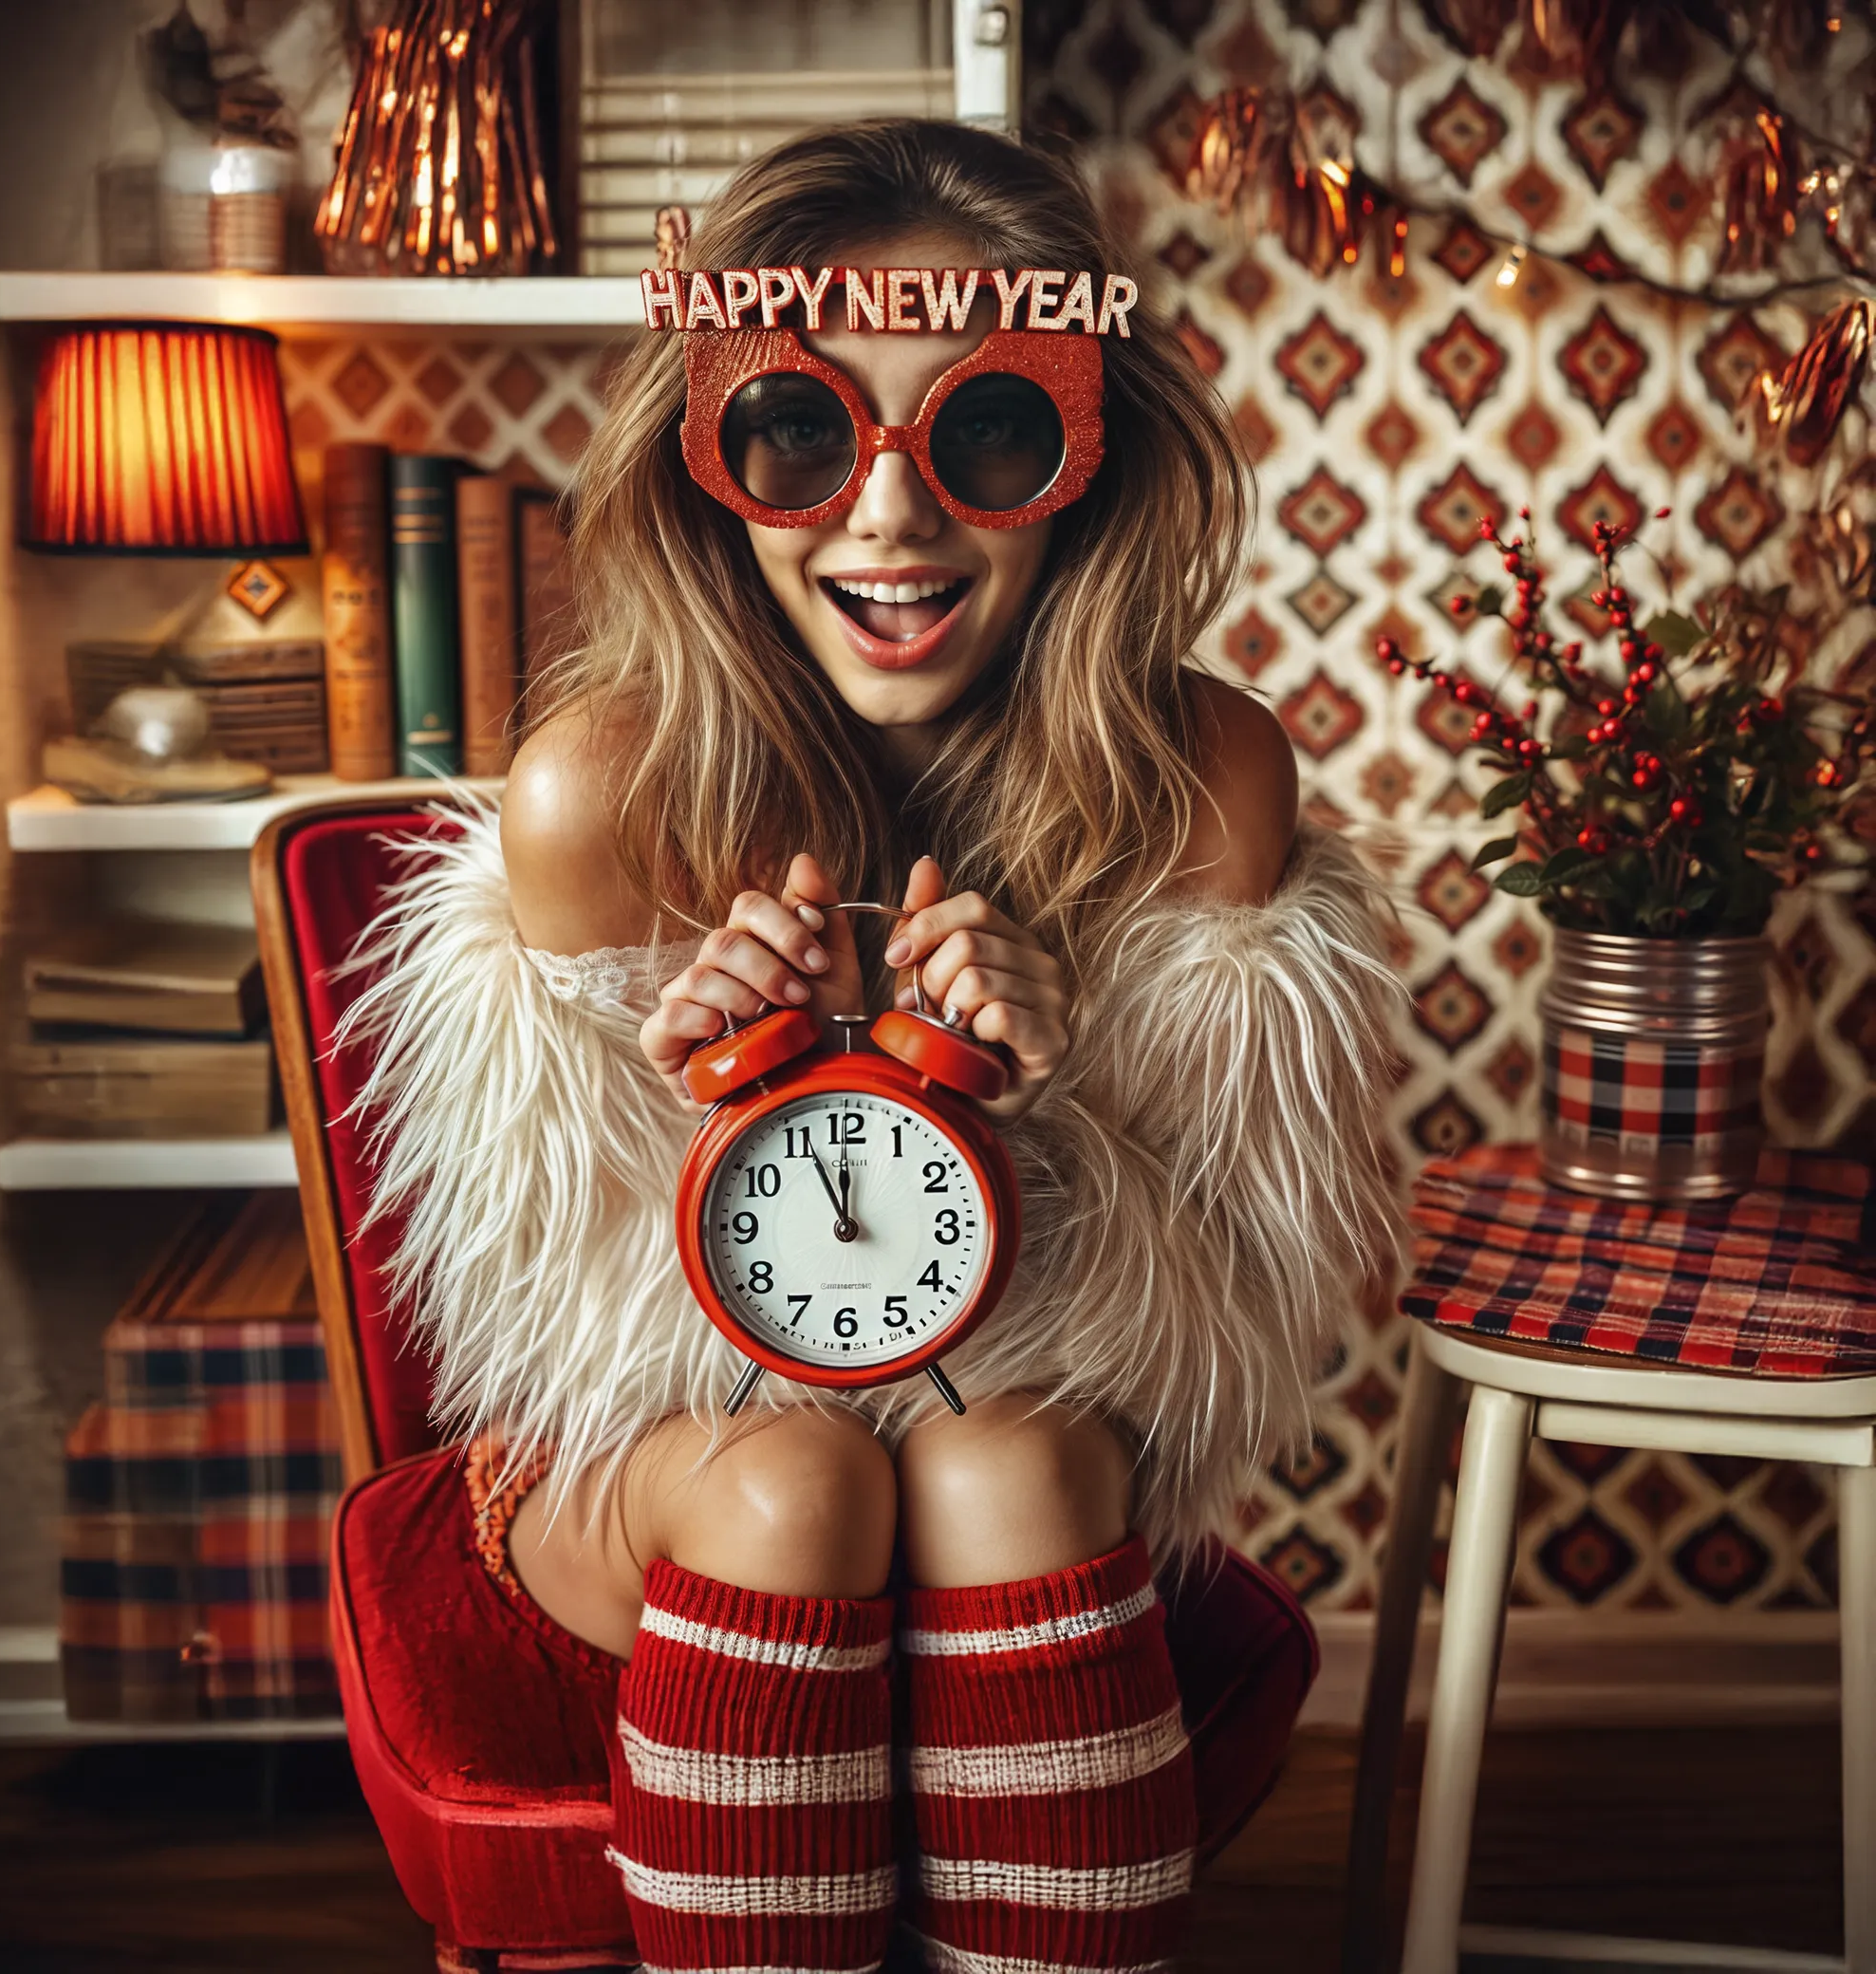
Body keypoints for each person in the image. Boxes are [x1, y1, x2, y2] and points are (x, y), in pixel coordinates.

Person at [352, 120, 1401, 1974]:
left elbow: (1226, 1311)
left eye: (988, 424)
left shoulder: (1198, 781)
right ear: (708, 464)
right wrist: (708, 1107)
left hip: (1029, 1439)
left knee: (1013, 1468)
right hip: (656, 1457)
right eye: (798, 428)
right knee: (793, 1478)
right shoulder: (600, 794)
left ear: (1087, 459)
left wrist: (1044, 1091)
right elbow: (547, 1338)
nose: (890, 514)